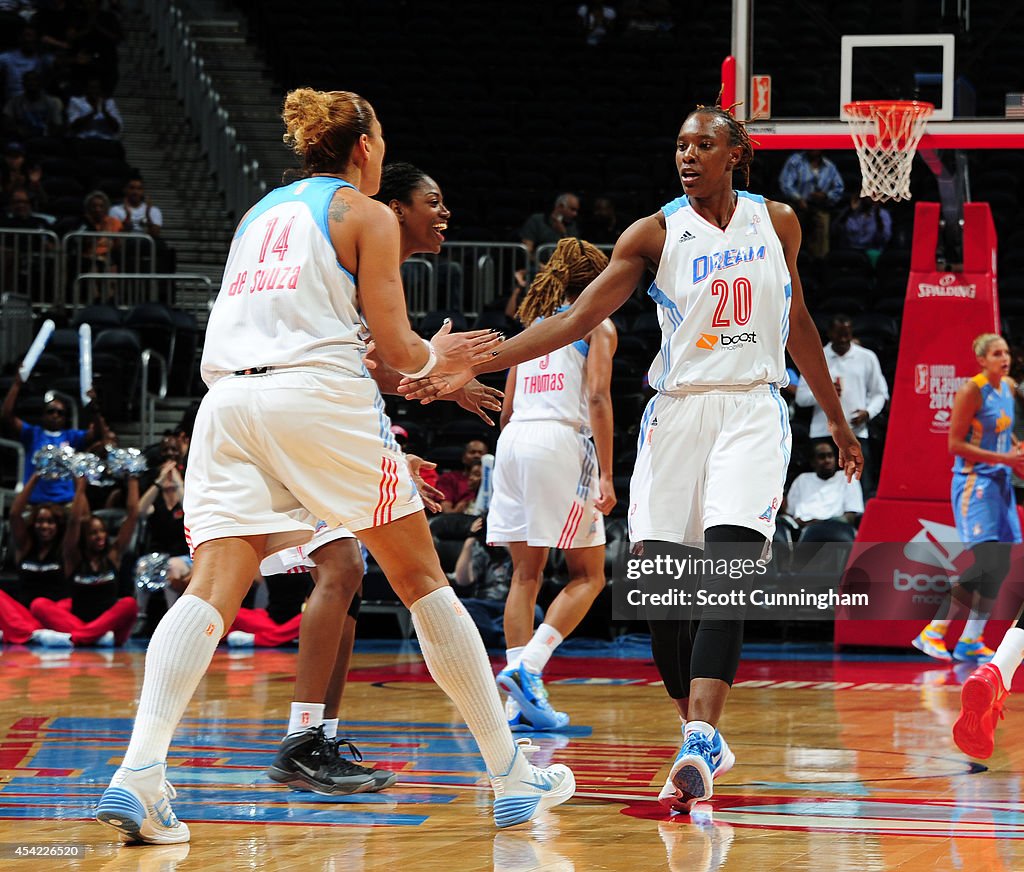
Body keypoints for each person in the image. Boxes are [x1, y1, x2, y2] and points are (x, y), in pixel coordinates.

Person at [94, 88, 574, 845]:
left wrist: (411, 367)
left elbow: (333, 335)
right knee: (422, 581)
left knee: (214, 588)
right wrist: (436, 357)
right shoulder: (366, 213)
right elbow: (400, 342)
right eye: (381, 138)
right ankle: (511, 775)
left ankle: (140, 773)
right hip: (313, 400)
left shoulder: (262, 214)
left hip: (225, 406)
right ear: (364, 147)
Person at [400, 97, 862, 812]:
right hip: (676, 414)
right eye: (679, 144)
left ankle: (704, 737)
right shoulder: (652, 234)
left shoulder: (779, 221)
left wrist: (836, 418)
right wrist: (481, 362)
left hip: (751, 408)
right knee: (666, 598)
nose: (685, 155)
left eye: (701, 144)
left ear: (735, 154)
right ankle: (694, 732)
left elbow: (795, 318)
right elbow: (577, 317)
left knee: (726, 569)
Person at [263, 161, 502, 797]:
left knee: (348, 575)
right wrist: (441, 376)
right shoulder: (361, 244)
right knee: (340, 569)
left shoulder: (366, 256)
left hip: (323, 425)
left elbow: (370, 366)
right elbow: (381, 360)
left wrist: (396, 448)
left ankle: (317, 737)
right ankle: (300, 737)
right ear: (394, 208)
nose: (445, 213)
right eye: (434, 200)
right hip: (300, 423)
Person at [489, 237, 617, 730]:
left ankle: (516, 703)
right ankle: (529, 667)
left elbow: (505, 409)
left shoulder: (532, 329)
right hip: (560, 441)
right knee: (588, 574)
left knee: (525, 575)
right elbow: (599, 399)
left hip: (514, 442)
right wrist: (605, 472)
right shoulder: (595, 324)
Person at [914, 334, 1024, 666]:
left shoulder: (1007, 386)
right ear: (981, 359)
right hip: (974, 482)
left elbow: (1003, 431)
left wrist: (1016, 448)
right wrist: (1004, 459)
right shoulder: (970, 392)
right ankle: (932, 631)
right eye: (996, 353)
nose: (1004, 358)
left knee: (1000, 563)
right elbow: (955, 445)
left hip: (1000, 481)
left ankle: (971, 641)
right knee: (985, 561)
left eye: (1006, 352)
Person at [28, 473, 140, 647]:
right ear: (84, 537)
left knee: (129, 603)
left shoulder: (113, 555)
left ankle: (76, 637)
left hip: (110, 629)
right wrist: (80, 487)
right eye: (93, 533)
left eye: (102, 531)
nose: (100, 536)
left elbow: (133, 515)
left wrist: (132, 478)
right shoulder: (73, 558)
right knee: (39, 604)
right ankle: (92, 636)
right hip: (84, 624)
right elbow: (74, 521)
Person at [794, 314, 888, 496]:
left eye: (847, 334)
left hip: (856, 431)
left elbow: (880, 393)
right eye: (839, 334)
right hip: (822, 433)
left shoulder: (866, 357)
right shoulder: (816, 356)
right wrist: (823, 393)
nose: (844, 339)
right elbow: (801, 398)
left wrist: (868, 413)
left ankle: (858, 523)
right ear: (830, 334)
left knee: (860, 485)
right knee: (821, 489)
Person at [1, 383, 109, 505]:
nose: (55, 415)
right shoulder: (32, 434)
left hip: (65, 502)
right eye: (51, 411)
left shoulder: (72, 437)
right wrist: (16, 385)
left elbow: (98, 435)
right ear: (43, 415)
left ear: (64, 418)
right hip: (35, 502)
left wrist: (94, 409)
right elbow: (7, 416)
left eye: (60, 412)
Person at [0, 472, 68, 643]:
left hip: (54, 615)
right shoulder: (25, 547)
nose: (44, 526)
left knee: (41, 605)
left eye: (50, 522)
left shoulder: (66, 550)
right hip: (26, 615)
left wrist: (78, 480)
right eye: (40, 521)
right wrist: (36, 477)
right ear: (33, 524)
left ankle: (22, 633)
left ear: (58, 526)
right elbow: (15, 514)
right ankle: (30, 632)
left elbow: (76, 520)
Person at [782, 442, 863, 541]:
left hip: (837, 529)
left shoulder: (848, 478)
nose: (827, 460)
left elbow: (850, 516)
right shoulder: (802, 479)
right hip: (804, 532)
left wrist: (821, 524)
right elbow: (790, 514)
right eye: (822, 457)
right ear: (813, 462)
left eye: (830, 456)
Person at [777, 150, 844, 259]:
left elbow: (839, 189)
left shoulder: (829, 166)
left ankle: (819, 264)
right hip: (797, 207)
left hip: (820, 207)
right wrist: (798, 199)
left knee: (821, 245)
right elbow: (785, 184)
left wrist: (826, 196)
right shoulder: (795, 161)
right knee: (793, 243)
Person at [519, 192, 580, 263]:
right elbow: (527, 250)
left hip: (562, 268)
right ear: (560, 206)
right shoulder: (536, 220)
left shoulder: (573, 226)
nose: (575, 214)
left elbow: (575, 253)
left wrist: (563, 233)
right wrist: (539, 266)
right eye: (572, 209)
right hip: (538, 266)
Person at [2, 70, 63, 139]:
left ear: (41, 83)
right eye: (28, 80)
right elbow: (6, 122)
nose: (31, 83)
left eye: (34, 80)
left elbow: (57, 125)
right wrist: (16, 129)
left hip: (45, 140)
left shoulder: (52, 102)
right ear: (23, 84)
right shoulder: (14, 102)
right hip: (21, 139)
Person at [832, 192, 892, 256]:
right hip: (849, 251)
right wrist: (849, 211)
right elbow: (834, 231)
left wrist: (877, 217)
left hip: (871, 252)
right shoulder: (849, 212)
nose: (867, 198)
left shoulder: (882, 214)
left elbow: (885, 239)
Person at [436, 438, 488, 512]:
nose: (477, 455)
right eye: (472, 452)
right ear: (463, 457)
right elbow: (447, 513)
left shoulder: (494, 481)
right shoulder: (448, 478)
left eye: (481, 453)